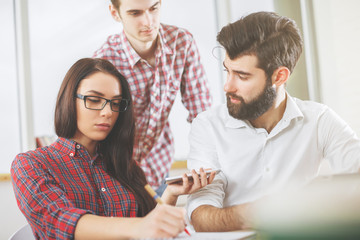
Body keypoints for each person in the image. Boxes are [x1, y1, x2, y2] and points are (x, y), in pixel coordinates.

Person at [186, 11, 360, 232]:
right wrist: (257, 213)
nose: (227, 86)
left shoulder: (319, 120)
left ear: (280, 77)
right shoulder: (208, 125)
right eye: (227, 71)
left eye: (242, 76)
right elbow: (201, 216)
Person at [11, 58, 215, 239]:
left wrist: (171, 194)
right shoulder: (30, 164)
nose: (108, 112)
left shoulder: (125, 165)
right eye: (94, 100)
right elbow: (58, 220)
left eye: (116, 103)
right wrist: (139, 226)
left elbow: (150, 231)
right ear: (68, 101)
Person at [93, 0, 212, 195]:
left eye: (154, 9)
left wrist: (208, 163)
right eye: (135, 13)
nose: (148, 21)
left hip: (159, 166)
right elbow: (97, 131)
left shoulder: (181, 42)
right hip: (117, 176)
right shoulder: (105, 61)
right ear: (115, 13)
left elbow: (201, 111)